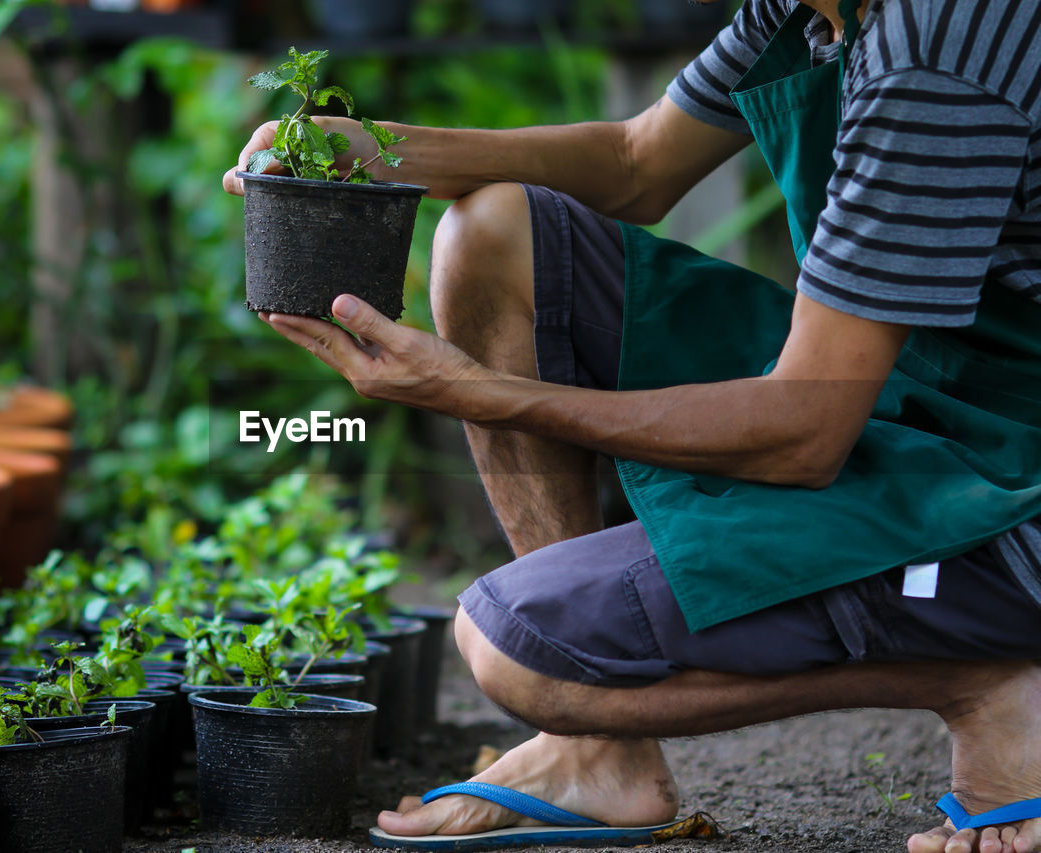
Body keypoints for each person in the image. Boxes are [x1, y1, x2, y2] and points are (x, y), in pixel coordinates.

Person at [223, 0, 1041, 850]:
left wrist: (477, 393)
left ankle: (987, 679)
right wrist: (382, 150)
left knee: (518, 646)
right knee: (492, 234)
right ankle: (599, 756)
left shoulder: (933, 55)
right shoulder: (810, 11)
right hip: (899, 385)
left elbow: (804, 432)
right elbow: (635, 160)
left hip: (1010, 471)